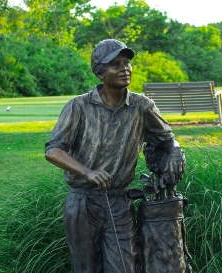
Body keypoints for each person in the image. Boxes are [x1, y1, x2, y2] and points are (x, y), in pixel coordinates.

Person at [45, 39, 185, 273]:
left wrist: (176, 153)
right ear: (100, 72)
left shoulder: (142, 106)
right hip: (83, 202)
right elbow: (53, 150)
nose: (125, 68)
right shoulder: (78, 106)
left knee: (123, 266)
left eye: (127, 62)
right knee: (87, 268)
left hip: (119, 201)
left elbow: (168, 140)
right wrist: (87, 172)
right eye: (116, 64)